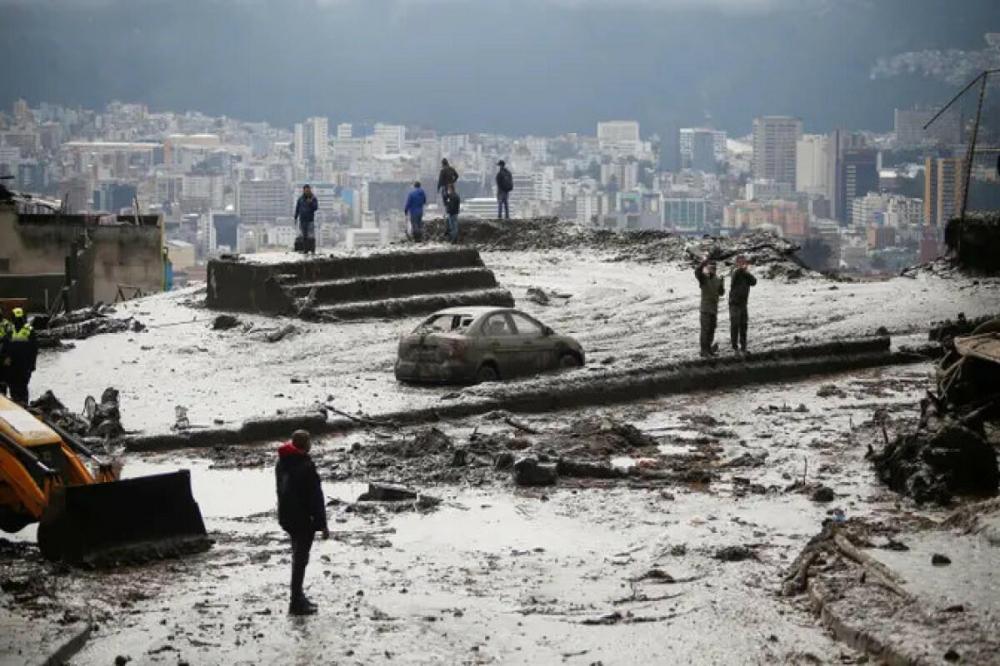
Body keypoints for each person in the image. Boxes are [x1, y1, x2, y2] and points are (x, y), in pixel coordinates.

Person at [275, 429, 329, 615]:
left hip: (287, 517)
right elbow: (316, 498)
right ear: (306, 445)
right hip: (303, 520)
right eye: (309, 441)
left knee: (297, 556)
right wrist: (322, 524)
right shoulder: (306, 466)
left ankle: (298, 597)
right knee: (301, 559)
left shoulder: (281, 463)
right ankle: (296, 601)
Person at [2, 308, 37, 404]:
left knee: (22, 388)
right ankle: (17, 404)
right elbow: (5, 348)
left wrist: (32, 364)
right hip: (13, 366)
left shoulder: (29, 330)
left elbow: (34, 349)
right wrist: (5, 359)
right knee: (14, 388)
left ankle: (23, 405)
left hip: (23, 366)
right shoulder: (10, 331)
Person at [694, 259, 724, 357]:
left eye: (714, 267)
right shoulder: (704, 278)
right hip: (705, 310)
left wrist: (722, 283)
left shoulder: (717, 279)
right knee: (705, 330)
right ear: (707, 268)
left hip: (713, 309)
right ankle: (704, 351)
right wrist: (703, 262)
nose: (713, 269)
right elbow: (697, 272)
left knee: (711, 330)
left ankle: (708, 350)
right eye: (711, 267)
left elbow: (721, 293)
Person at [728, 255, 757, 354]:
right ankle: (735, 347)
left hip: (743, 304)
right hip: (734, 304)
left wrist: (746, 272)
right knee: (735, 325)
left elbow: (754, 282)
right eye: (740, 262)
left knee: (743, 325)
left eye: (744, 262)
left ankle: (743, 347)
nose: (743, 264)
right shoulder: (734, 271)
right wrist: (742, 270)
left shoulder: (746, 274)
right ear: (737, 263)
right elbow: (735, 275)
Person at [293, 185, 319, 254]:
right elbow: (297, 208)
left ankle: (312, 250)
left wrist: (310, 203)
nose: (307, 191)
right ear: (303, 190)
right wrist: (295, 217)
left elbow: (316, 208)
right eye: (306, 190)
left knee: (311, 236)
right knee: (304, 236)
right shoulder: (300, 199)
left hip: (310, 220)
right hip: (302, 220)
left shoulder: (313, 198)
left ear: (310, 190)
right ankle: (305, 250)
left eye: (308, 190)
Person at [0, 309, 12, 397]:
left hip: (4, 353)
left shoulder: (7, 324)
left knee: (3, 380)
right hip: (4, 353)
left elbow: (10, 336)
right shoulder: (7, 323)